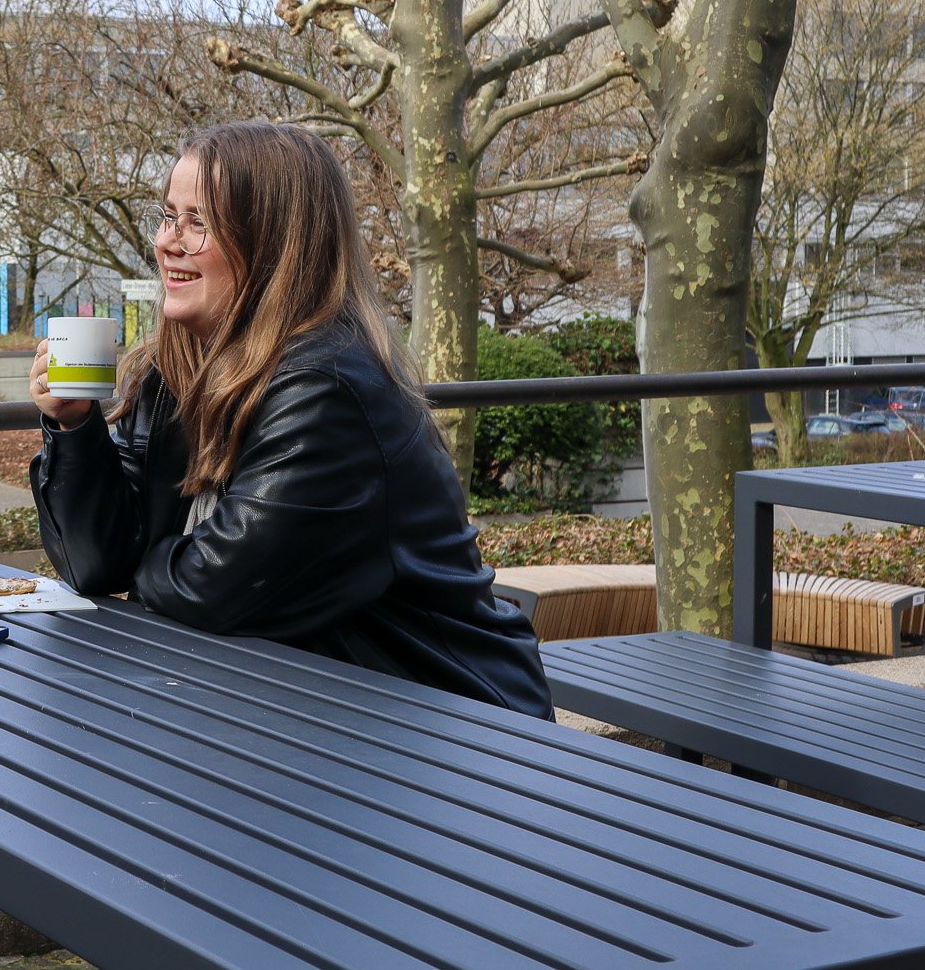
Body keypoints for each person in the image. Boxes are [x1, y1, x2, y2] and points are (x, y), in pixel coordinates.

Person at [28, 121, 552, 717]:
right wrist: (74, 428)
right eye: (168, 216)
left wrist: (147, 557)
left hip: (449, 723)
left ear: (275, 246)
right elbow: (95, 566)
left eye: (200, 223)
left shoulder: (327, 389)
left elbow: (214, 589)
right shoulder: (174, 373)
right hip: (308, 700)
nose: (169, 242)